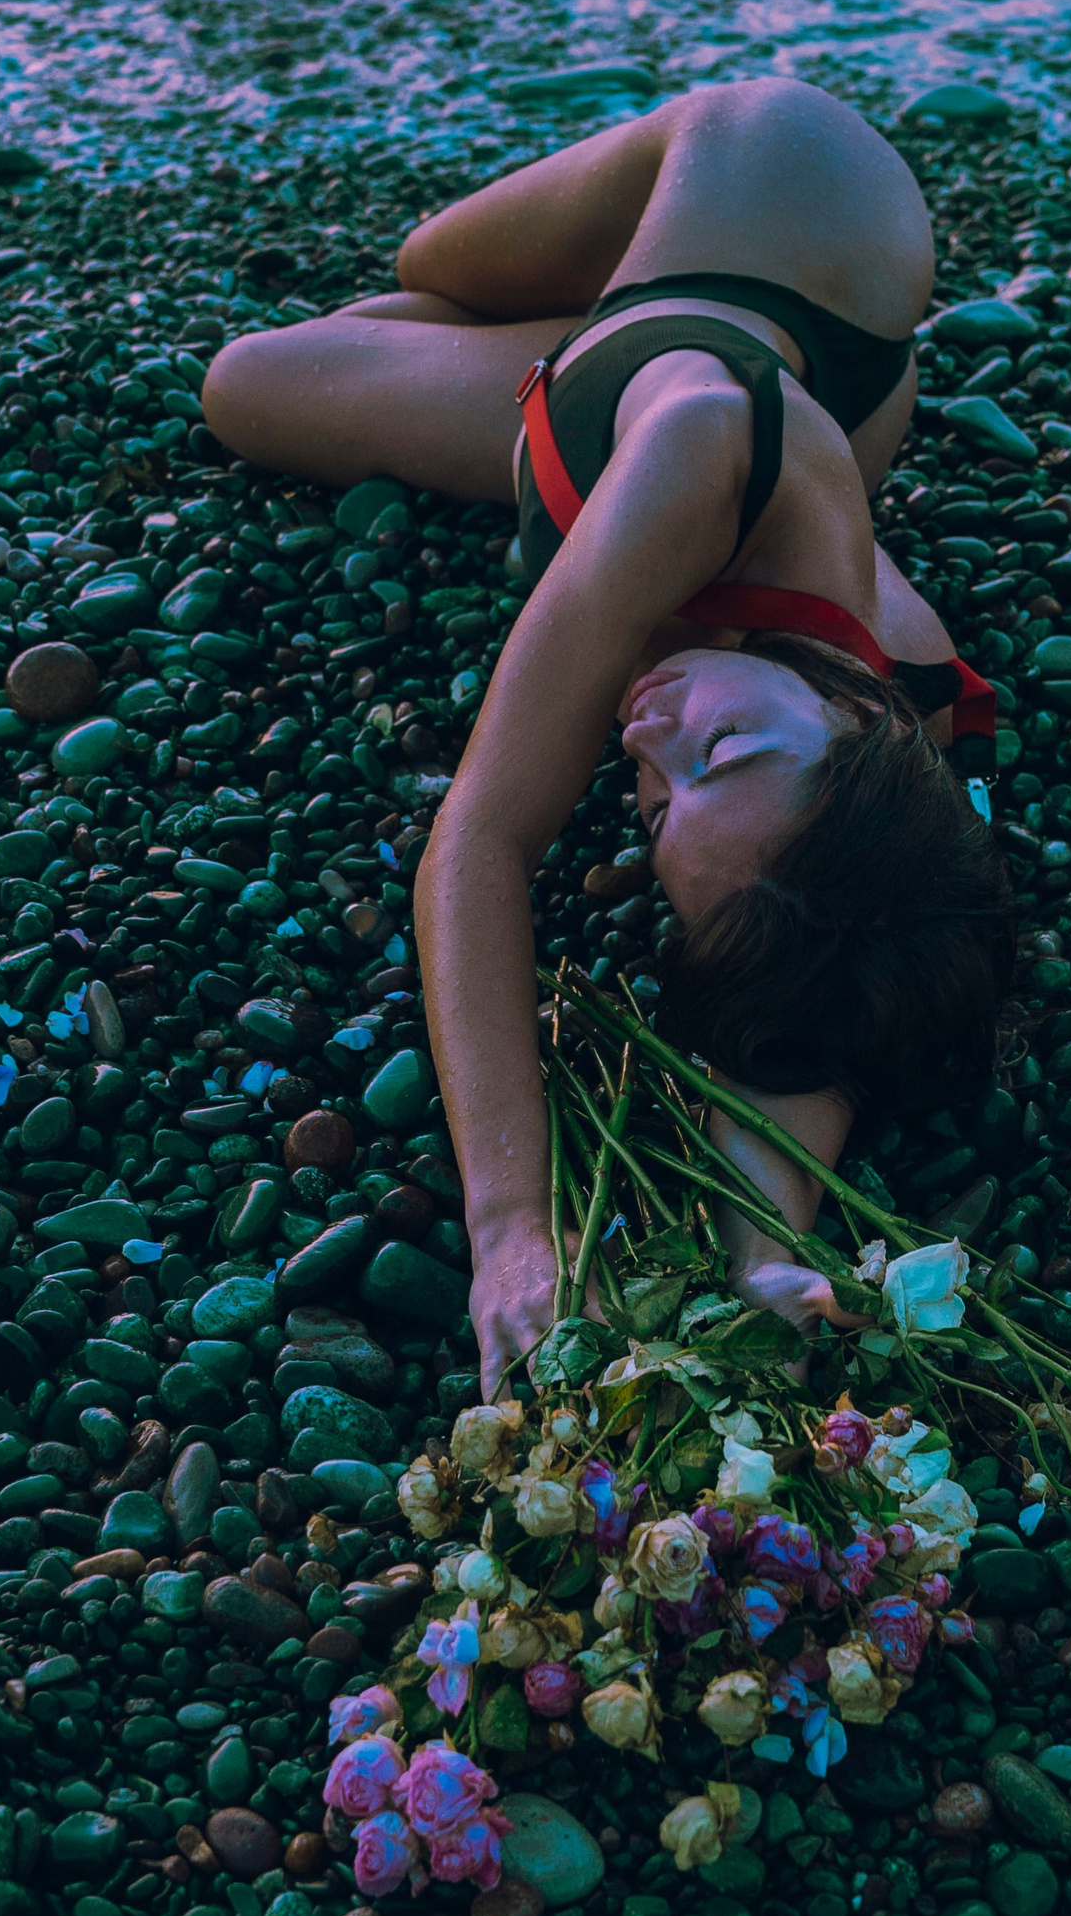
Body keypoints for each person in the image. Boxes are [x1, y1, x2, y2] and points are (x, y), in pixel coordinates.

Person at [203, 79, 1014, 1395]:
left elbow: (814, 992)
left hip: (709, 404)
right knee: (402, 282)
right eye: (722, 752)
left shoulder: (871, 793)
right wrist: (511, 1226)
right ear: (858, 714)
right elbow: (480, 835)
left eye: (653, 805)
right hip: (779, 192)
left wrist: (765, 1253)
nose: (647, 731)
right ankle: (587, 309)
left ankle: (554, 347)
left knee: (254, 378)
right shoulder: (707, 459)